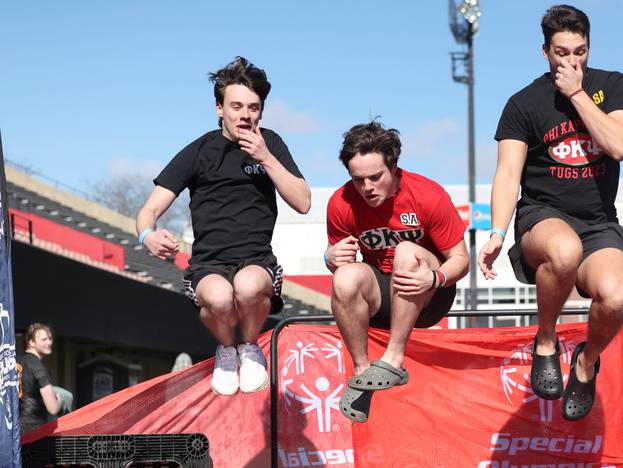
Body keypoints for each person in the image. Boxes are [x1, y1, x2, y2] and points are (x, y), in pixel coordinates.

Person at [477, 4, 623, 421]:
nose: (572, 61)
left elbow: (619, 146)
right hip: (542, 216)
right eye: (562, 52)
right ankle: (545, 340)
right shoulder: (523, 103)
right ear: (545, 52)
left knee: (616, 295)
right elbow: (507, 172)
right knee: (563, 251)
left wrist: (577, 94)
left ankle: (586, 365)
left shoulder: (615, 86)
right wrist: (495, 231)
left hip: (598, 223)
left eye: (580, 51)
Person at [136, 57, 311, 395]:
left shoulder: (270, 144)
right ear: (219, 109)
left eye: (254, 107)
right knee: (218, 296)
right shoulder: (199, 151)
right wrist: (148, 235)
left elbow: (303, 202)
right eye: (236, 106)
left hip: (257, 261)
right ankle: (226, 350)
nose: (245, 115)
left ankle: (248, 346)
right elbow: (149, 209)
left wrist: (266, 158)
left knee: (246, 287)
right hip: (208, 266)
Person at [326, 121, 469, 423]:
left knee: (405, 251)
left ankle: (393, 358)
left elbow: (460, 260)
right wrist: (330, 258)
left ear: (393, 167)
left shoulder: (427, 195)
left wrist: (434, 278)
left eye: (375, 177)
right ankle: (363, 374)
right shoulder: (340, 203)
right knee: (344, 277)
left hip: (429, 292)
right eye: (358, 179)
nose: (366, 188)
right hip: (383, 294)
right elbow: (342, 265)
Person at [19, 323, 62, 434]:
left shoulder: (16, 362)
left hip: (14, 429)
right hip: (34, 430)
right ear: (31, 342)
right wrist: (60, 401)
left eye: (50, 338)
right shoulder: (39, 368)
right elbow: (52, 408)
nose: (49, 342)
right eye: (44, 339)